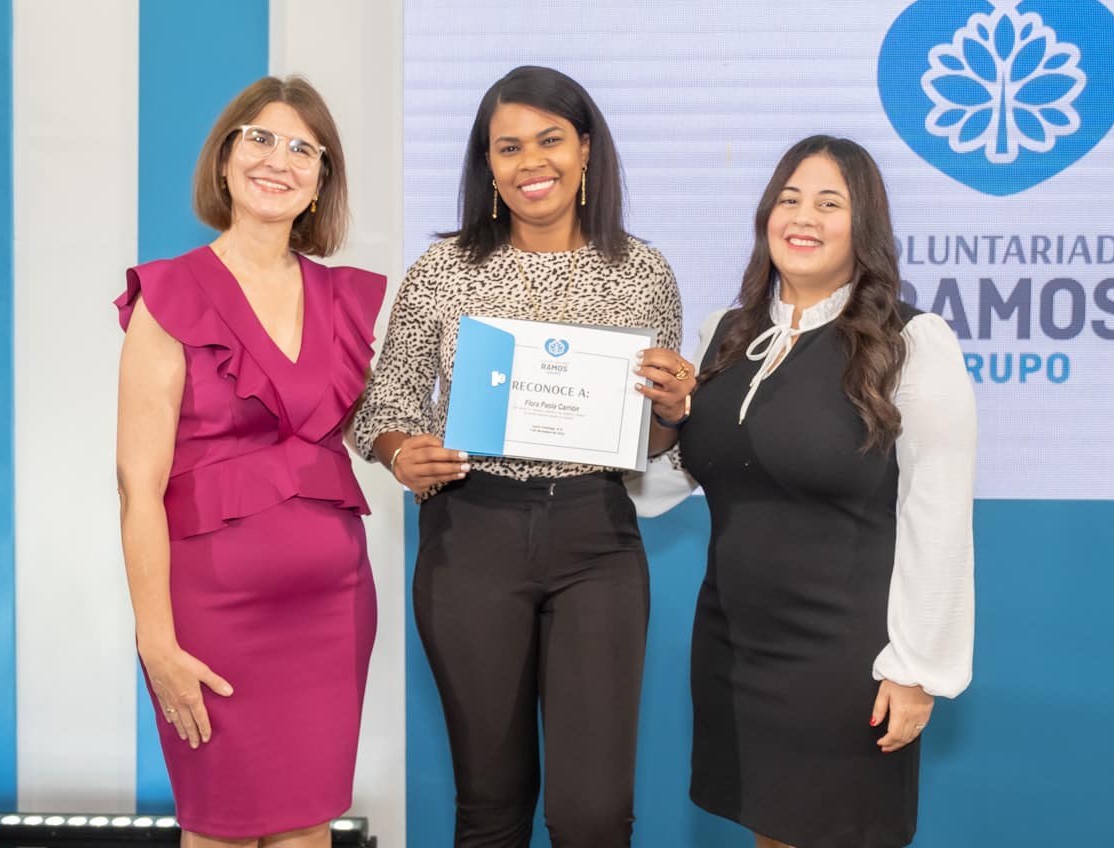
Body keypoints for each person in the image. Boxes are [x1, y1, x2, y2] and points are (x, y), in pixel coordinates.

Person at [354, 66, 693, 847]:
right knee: (491, 805)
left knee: (593, 815)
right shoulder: (442, 269)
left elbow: (650, 441)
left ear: (585, 151)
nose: (530, 162)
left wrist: (675, 411)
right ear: (488, 166)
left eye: (549, 141)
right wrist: (404, 452)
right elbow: (388, 399)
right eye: (507, 148)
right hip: (471, 532)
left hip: (595, 538)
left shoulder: (643, 272)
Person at [677, 135, 976, 848]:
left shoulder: (912, 341)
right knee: (771, 834)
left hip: (846, 659)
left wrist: (916, 670)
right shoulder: (725, 334)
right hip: (731, 644)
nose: (802, 217)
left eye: (828, 202)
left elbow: (936, 515)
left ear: (862, 226)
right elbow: (674, 478)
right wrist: (657, 420)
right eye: (789, 198)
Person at [114, 76, 385, 846]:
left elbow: (383, 426)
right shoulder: (171, 293)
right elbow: (139, 488)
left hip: (333, 610)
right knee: (222, 831)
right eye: (260, 138)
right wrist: (154, 641)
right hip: (210, 620)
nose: (280, 160)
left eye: (304, 148)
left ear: (321, 179)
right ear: (226, 158)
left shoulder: (345, 299)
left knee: (308, 830)